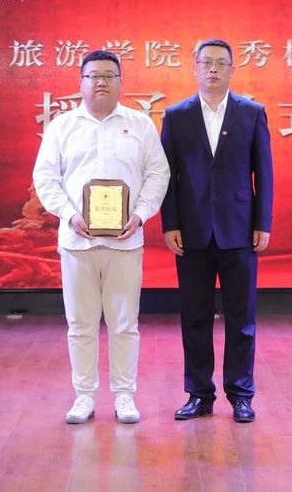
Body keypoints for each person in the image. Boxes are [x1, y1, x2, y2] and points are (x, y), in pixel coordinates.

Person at [33, 50, 170, 424]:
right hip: (77, 242)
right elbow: (45, 178)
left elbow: (158, 174)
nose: (101, 82)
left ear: (121, 82)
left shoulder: (140, 124)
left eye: (109, 75)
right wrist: (70, 214)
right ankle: (84, 396)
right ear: (81, 82)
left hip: (125, 242)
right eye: (93, 76)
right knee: (80, 325)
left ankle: (124, 396)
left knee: (125, 324)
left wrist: (140, 215)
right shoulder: (62, 126)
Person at [160, 39, 274, 423]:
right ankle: (199, 394)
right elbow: (167, 176)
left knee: (242, 317)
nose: (213, 69)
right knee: (195, 316)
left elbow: (264, 173)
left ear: (232, 70)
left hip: (240, 230)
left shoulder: (251, 113)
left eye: (221, 63)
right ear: (194, 67)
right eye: (206, 62)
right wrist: (170, 223)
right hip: (191, 232)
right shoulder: (176, 116)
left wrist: (263, 223)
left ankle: (241, 394)